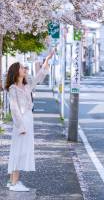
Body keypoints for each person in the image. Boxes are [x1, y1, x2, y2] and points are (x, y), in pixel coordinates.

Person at [5, 51, 54, 192]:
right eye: (22, 68)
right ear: (16, 71)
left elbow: (40, 76)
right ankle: (14, 183)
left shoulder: (27, 86)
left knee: (22, 150)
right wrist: (20, 127)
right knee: (18, 151)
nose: (25, 69)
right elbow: (14, 109)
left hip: (28, 119)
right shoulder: (13, 89)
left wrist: (47, 60)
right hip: (21, 123)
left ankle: (12, 181)